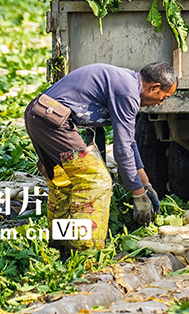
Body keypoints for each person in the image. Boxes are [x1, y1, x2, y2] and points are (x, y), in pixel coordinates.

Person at [24, 62, 178, 254]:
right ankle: (84, 252)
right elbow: (122, 150)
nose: (160, 103)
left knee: (64, 184)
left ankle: (61, 247)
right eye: (163, 97)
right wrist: (137, 194)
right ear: (154, 87)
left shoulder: (127, 84)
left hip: (39, 116)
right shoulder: (128, 92)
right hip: (51, 121)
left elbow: (129, 144)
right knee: (96, 180)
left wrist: (145, 185)